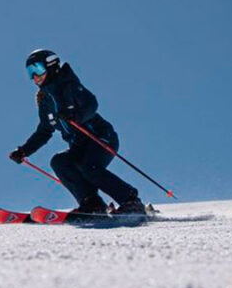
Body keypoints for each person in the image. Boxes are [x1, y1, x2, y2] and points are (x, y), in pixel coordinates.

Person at [8, 49, 146, 216]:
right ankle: (91, 203)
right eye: (30, 72)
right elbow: (44, 131)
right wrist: (24, 150)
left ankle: (130, 200)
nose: (34, 77)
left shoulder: (68, 85)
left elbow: (91, 103)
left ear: (51, 66)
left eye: (37, 69)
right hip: (79, 145)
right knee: (60, 161)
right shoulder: (45, 102)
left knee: (89, 167)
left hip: (100, 137)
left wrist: (75, 115)